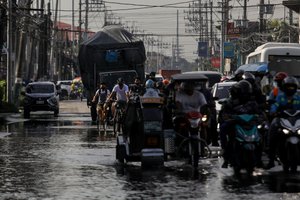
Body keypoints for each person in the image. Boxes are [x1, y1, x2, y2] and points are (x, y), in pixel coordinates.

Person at [219, 80, 262, 168]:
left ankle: (260, 157)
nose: (244, 95)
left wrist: (260, 118)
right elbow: (224, 114)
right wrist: (230, 118)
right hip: (236, 124)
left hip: (249, 125)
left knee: (262, 134)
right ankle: (225, 155)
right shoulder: (230, 102)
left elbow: (260, 113)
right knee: (224, 129)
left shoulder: (252, 103)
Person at [266, 76, 300, 169]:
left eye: (292, 87)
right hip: (282, 119)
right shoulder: (280, 97)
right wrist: (273, 111)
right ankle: (271, 159)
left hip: (296, 120)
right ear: (284, 87)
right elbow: (274, 106)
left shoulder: (298, 97)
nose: (290, 89)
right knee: (272, 130)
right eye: (288, 87)